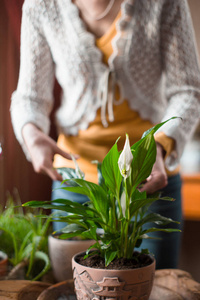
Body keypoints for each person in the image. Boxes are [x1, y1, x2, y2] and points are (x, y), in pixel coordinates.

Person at [10, 0, 200, 269]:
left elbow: (188, 92)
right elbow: (30, 97)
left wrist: (157, 148)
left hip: (149, 175)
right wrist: (31, 132)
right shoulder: (41, 6)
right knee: (78, 288)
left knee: (155, 287)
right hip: (75, 176)